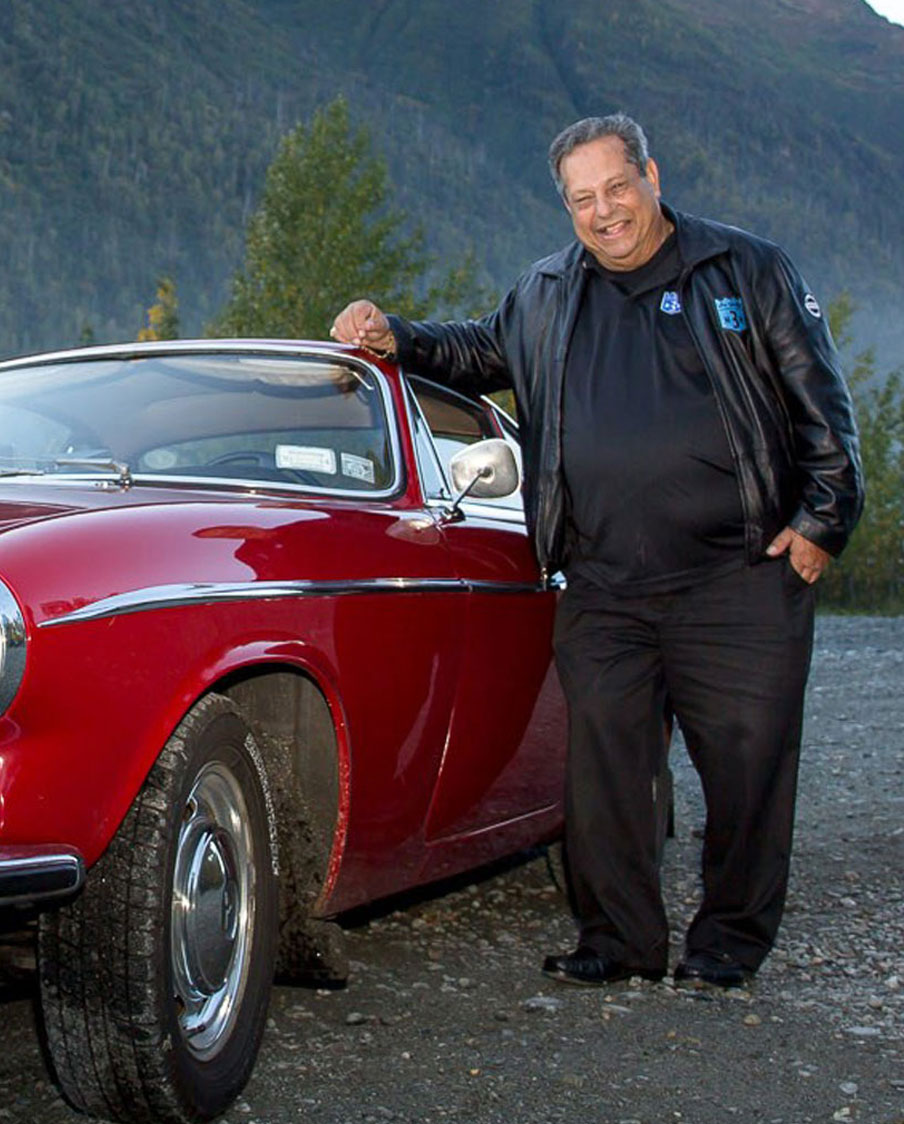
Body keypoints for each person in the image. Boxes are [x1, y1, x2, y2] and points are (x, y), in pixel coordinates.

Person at [330, 113, 863, 990]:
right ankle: (617, 941)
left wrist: (820, 525)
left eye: (617, 187)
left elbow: (821, 401)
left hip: (739, 577)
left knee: (747, 769)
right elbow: (476, 350)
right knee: (606, 772)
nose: (604, 211)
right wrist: (394, 334)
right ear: (566, 205)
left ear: (651, 174)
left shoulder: (745, 268)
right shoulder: (545, 291)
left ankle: (728, 945)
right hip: (606, 584)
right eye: (584, 198)